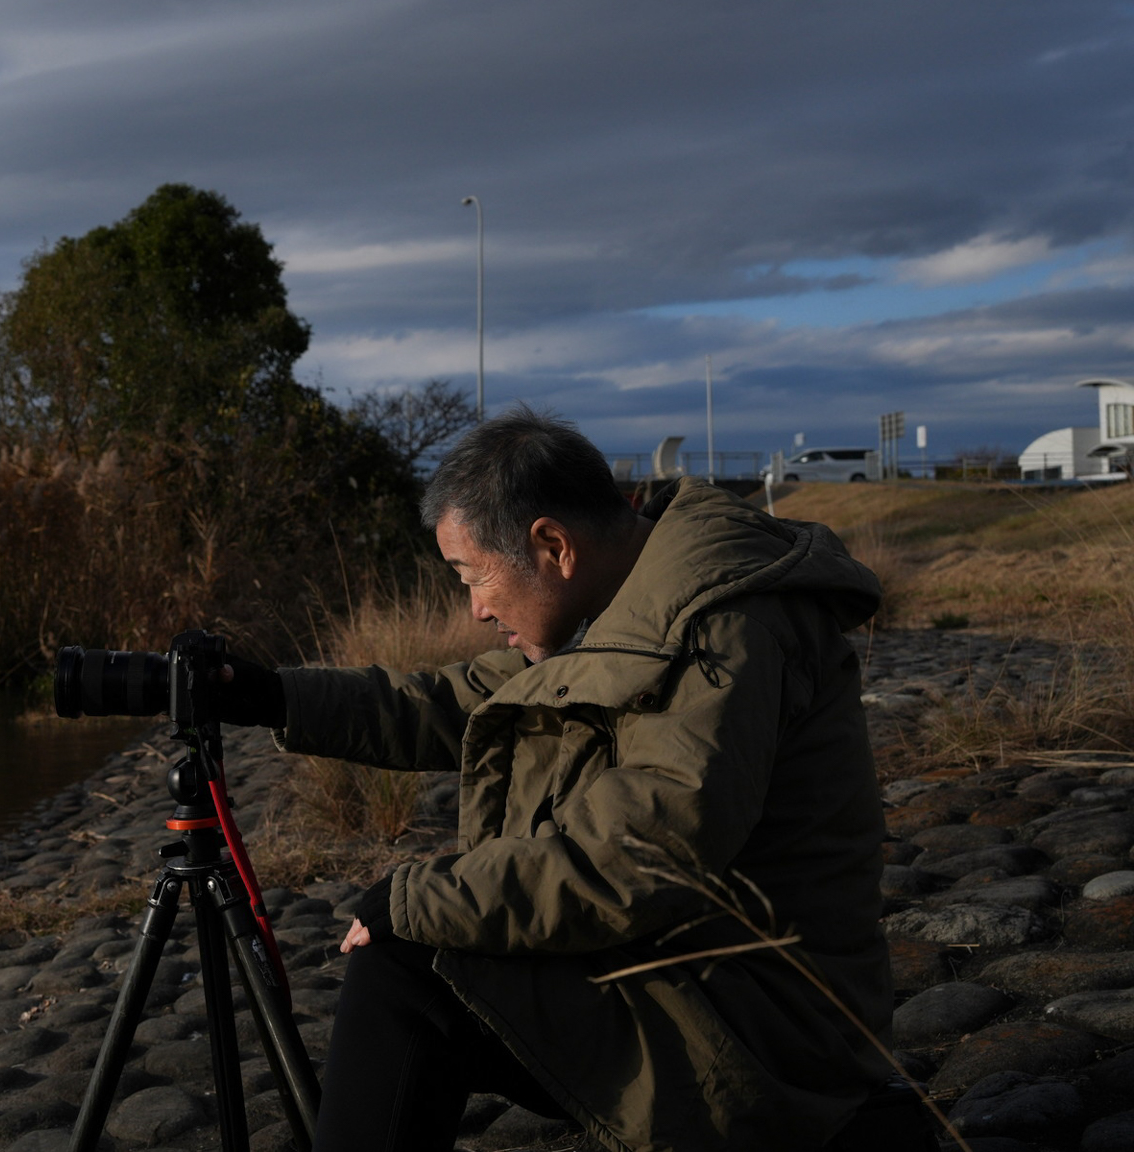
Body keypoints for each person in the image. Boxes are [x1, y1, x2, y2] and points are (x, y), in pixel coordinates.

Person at [217, 406, 892, 1152]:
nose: (476, 609)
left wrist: (416, 898)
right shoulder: (629, 602)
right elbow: (450, 702)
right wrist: (269, 697)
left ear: (553, 546)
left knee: (409, 967)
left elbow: (640, 859)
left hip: (767, 1031)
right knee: (427, 955)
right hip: (687, 968)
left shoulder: (719, 632)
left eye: (473, 576)